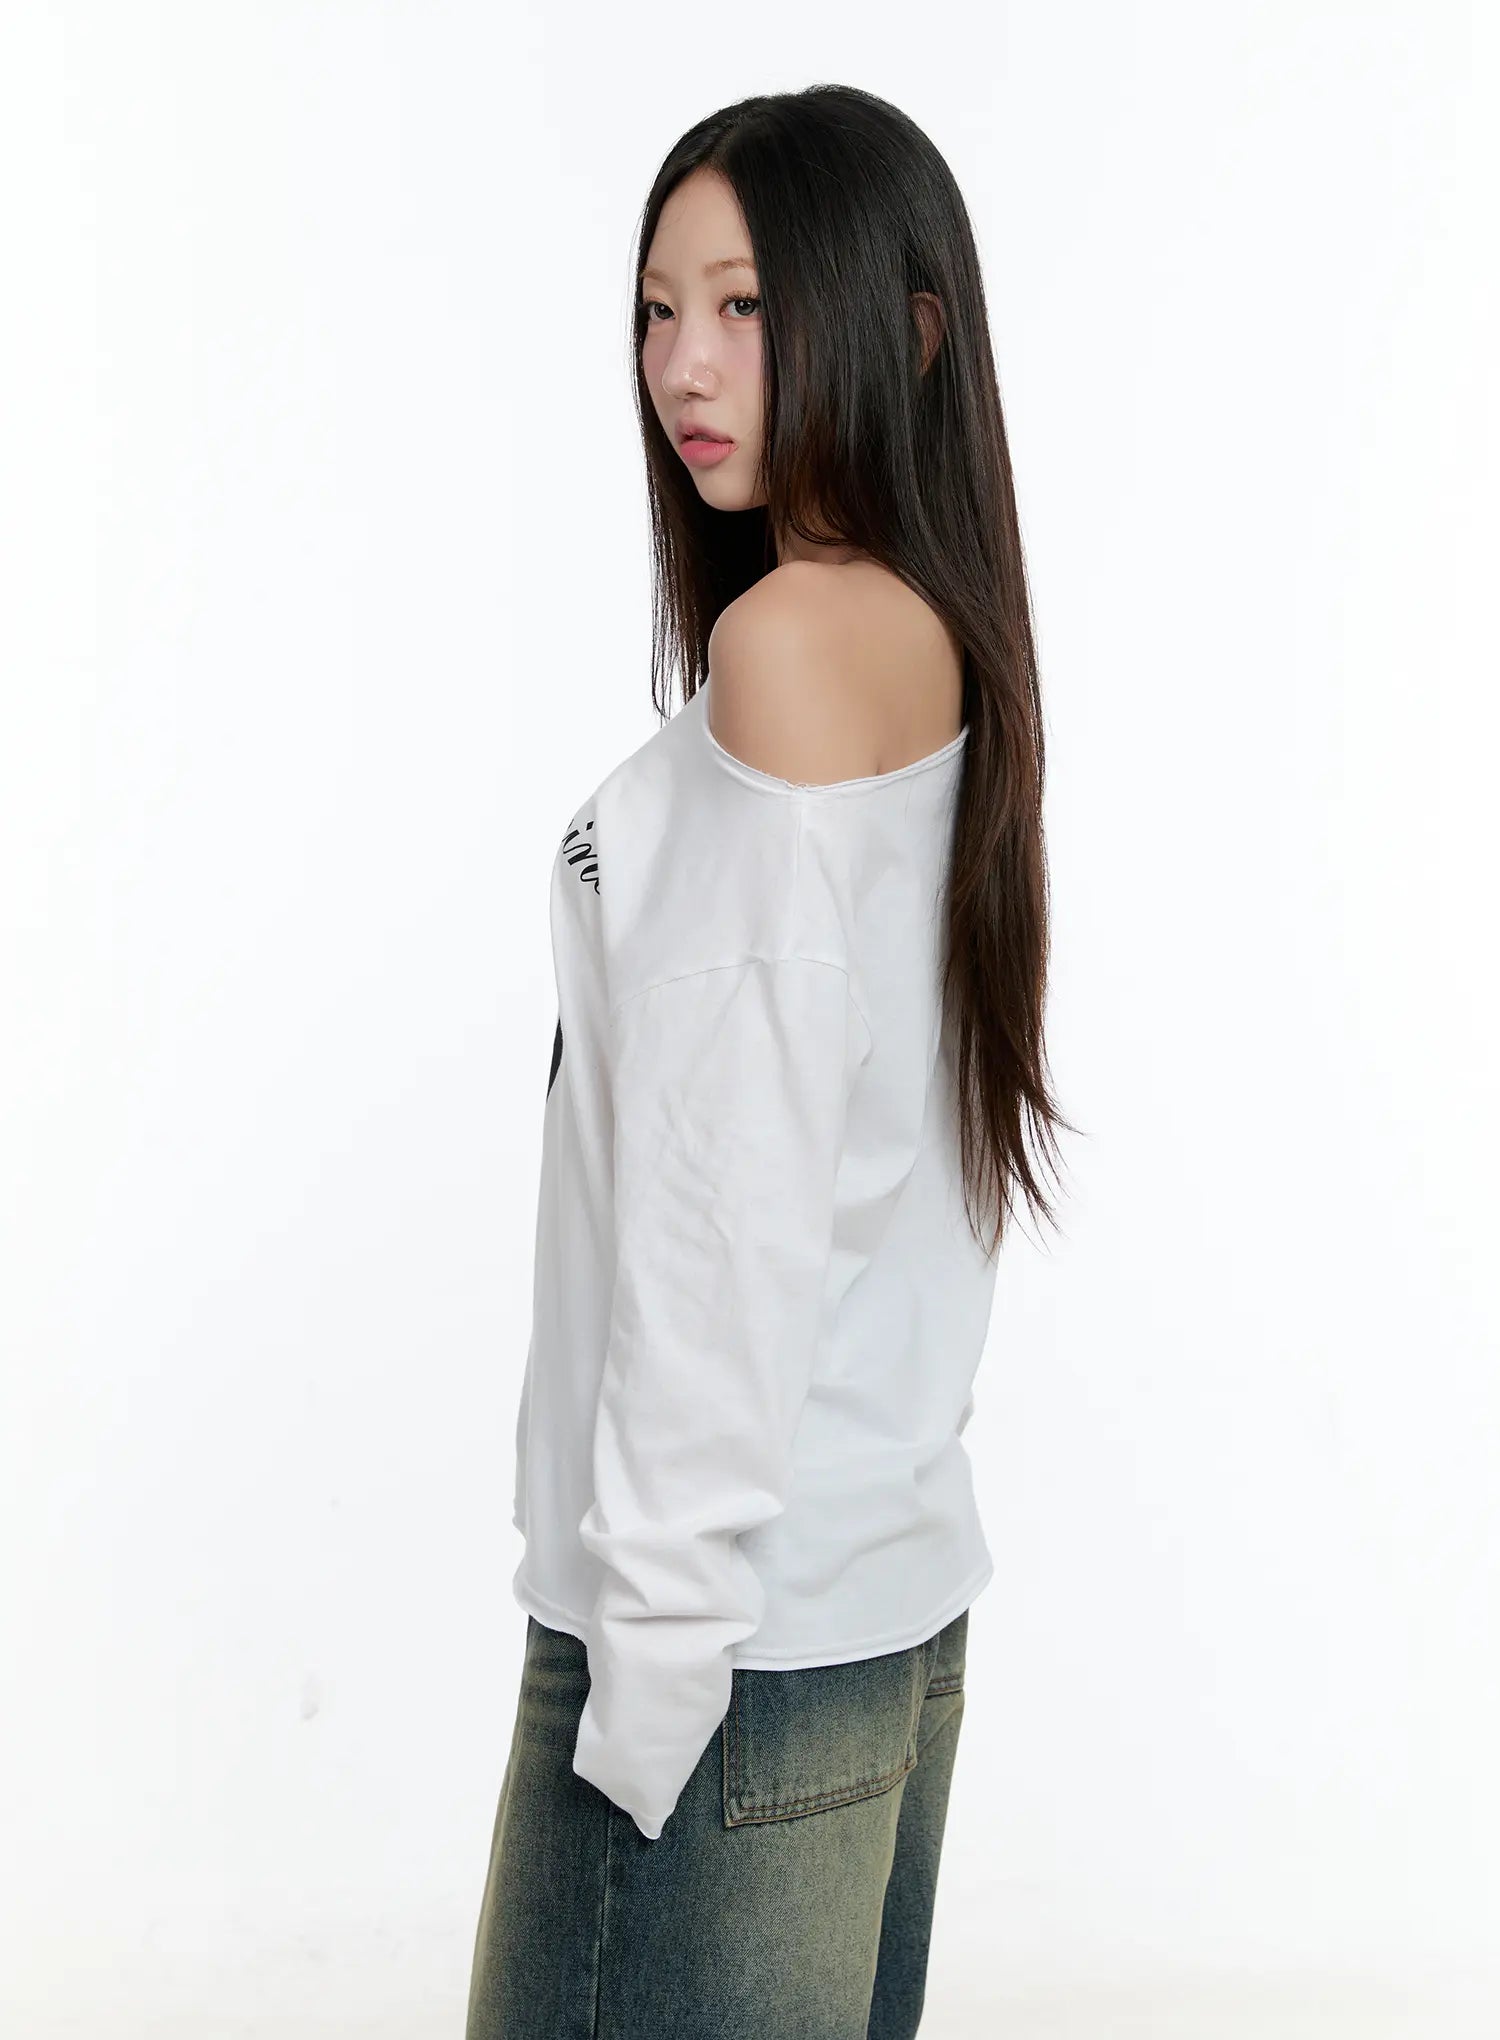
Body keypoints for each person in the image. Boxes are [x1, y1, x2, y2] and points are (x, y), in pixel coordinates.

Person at [466, 83, 1073, 2040]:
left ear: (908, 328)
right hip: (878, 1606)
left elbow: (726, 1201)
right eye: (659, 310)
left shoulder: (792, 649)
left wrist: (647, 1679)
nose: (684, 365)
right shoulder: (936, 635)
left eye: (743, 305)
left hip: (717, 1658)